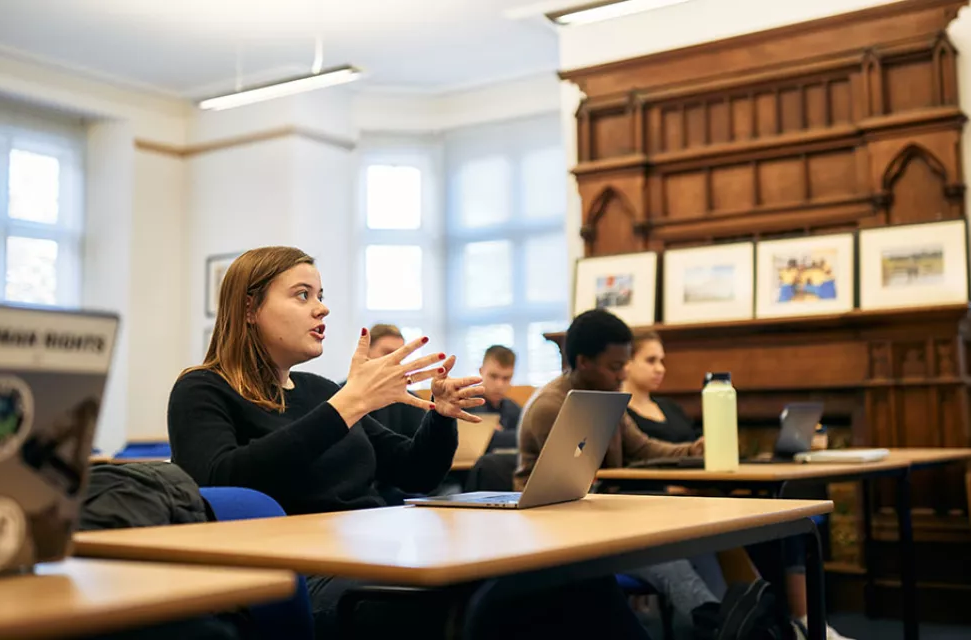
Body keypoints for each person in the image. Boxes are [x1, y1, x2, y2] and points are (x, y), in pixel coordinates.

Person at [168, 247, 650, 640]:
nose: (323, 307)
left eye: (321, 294)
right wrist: (348, 405)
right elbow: (221, 481)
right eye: (302, 295)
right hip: (309, 571)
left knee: (573, 576)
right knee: (497, 599)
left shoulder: (317, 390)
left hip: (382, 546)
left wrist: (440, 418)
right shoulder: (203, 389)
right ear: (249, 308)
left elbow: (414, 472)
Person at [621, 330, 855, 640]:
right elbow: (627, 472)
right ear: (626, 363)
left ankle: (790, 621)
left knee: (785, 518)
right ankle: (750, 625)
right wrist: (673, 488)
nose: (660, 368)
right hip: (665, 505)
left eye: (662, 360)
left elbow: (700, 451)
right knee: (733, 535)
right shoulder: (622, 416)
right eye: (650, 360)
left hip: (703, 498)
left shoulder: (670, 409)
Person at [515, 309, 719, 636]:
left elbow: (644, 447)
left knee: (695, 539)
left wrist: (695, 450)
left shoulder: (605, 395)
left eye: (625, 364)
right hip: (558, 532)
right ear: (583, 362)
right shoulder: (551, 406)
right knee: (667, 552)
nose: (623, 373)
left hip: (602, 520)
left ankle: (722, 620)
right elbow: (571, 485)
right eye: (615, 366)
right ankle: (716, 622)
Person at [342, 323, 426, 439]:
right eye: (388, 353)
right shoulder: (337, 396)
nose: (394, 360)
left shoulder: (411, 403)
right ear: (367, 352)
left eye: (399, 355)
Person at [465, 345, 521, 450]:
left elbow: (529, 437)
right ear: (481, 371)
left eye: (506, 378)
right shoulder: (465, 404)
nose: (499, 385)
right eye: (493, 376)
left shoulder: (513, 408)